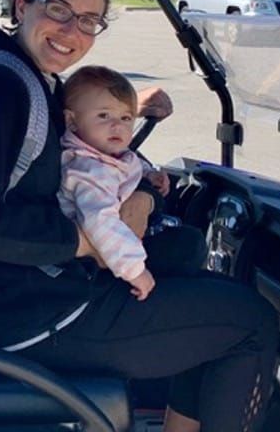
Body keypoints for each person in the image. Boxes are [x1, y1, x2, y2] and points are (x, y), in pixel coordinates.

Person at [0, 0, 277, 432]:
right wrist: (85, 240)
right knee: (250, 322)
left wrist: (143, 189)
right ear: (21, 4)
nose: (72, 31)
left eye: (89, 20)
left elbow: (75, 157)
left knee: (191, 259)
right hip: (35, 315)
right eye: (59, 10)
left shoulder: (33, 80)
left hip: (44, 291)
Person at [59, 65, 199, 302]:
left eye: (126, 118)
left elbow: (126, 163)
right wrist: (135, 271)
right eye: (103, 116)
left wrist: (148, 175)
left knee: (190, 240)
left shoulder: (103, 152)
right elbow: (100, 222)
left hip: (119, 238)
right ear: (72, 121)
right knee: (190, 246)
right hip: (95, 262)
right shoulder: (88, 170)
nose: (117, 126)